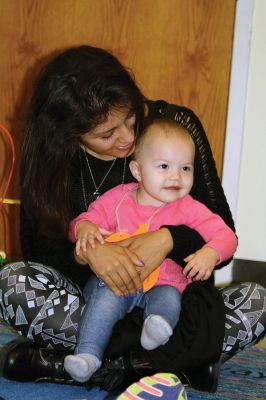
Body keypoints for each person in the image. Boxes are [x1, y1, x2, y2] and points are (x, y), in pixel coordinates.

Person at [0, 45, 265, 393]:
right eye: (107, 134)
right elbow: (39, 253)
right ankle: (163, 366)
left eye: (130, 119)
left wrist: (168, 239)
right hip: (94, 303)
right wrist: (92, 255)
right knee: (13, 283)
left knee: (258, 300)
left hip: (170, 305)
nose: (127, 139)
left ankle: (88, 365)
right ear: (68, 133)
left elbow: (222, 238)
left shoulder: (174, 130)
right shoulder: (52, 157)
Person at [64, 119, 238, 383]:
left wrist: (211, 253)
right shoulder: (118, 198)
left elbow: (226, 236)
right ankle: (88, 356)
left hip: (164, 286)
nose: (176, 176)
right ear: (137, 170)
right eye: (164, 166)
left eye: (185, 168)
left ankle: (156, 330)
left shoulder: (189, 207)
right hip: (116, 284)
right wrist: (85, 228)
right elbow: (84, 221)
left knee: (169, 299)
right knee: (103, 302)